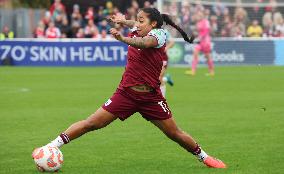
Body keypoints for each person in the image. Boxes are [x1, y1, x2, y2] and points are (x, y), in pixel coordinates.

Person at [32, 8, 226, 170]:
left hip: (151, 97)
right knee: (92, 123)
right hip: (125, 94)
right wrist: (123, 20)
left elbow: (144, 42)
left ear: (153, 25)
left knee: (174, 133)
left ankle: (205, 157)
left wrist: (123, 38)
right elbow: (134, 24)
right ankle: (49, 147)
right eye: (137, 21)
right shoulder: (139, 28)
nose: (138, 24)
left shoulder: (158, 35)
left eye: (142, 21)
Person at [185, 10, 215, 76]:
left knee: (208, 57)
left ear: (203, 15)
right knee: (195, 53)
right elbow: (198, 32)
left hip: (206, 41)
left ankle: (211, 71)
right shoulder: (198, 23)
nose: (199, 16)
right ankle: (193, 71)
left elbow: (207, 31)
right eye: (198, 15)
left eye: (200, 15)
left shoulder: (206, 22)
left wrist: (201, 37)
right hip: (200, 42)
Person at [159, 28, 175, 98]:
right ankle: (166, 79)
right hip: (152, 57)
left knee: (159, 78)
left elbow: (172, 42)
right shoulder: (148, 29)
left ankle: (162, 98)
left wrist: (166, 48)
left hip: (162, 57)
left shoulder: (164, 31)